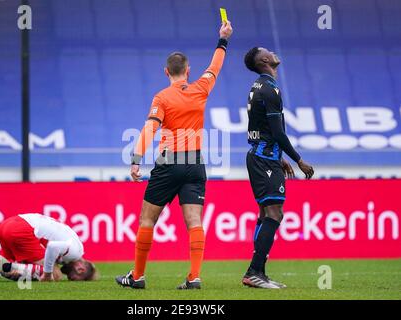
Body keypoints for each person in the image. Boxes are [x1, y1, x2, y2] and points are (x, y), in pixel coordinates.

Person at [115, 21, 233, 290]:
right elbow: (214, 68)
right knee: (194, 221)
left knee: (147, 219)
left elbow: (150, 128)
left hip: (170, 162)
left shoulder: (162, 97)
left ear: (166, 71)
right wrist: (223, 40)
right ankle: (194, 277)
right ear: (188, 71)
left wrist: (136, 160)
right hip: (195, 162)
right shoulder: (201, 88)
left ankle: (138, 277)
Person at [242, 47, 314, 289]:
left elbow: (261, 128)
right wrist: (298, 159)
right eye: (268, 51)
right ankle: (254, 272)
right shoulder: (270, 90)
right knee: (274, 214)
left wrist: (278, 155)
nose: (273, 52)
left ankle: (257, 273)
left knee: (266, 214)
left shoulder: (257, 87)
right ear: (264, 60)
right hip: (264, 160)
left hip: (263, 156)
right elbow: (278, 132)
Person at [0, 213, 96, 282]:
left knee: (30, 264)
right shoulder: (75, 252)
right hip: (21, 230)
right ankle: (2, 267)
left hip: (7, 224)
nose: (70, 278)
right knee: (55, 274)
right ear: (81, 269)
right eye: (73, 278)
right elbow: (52, 247)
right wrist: (47, 274)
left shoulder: (74, 244)